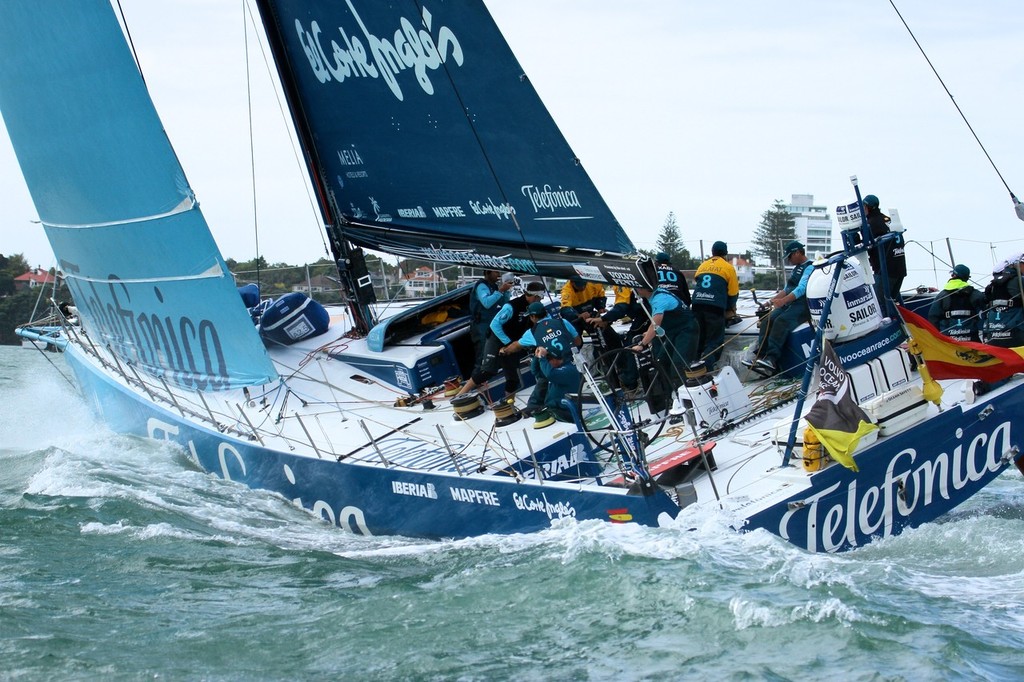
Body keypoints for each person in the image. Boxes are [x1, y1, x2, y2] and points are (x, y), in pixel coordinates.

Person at [457, 281, 546, 398]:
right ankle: (460, 395)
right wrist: (507, 343)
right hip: (497, 338)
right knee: (487, 371)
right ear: (535, 297)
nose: (540, 301)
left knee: (513, 378)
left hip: (513, 341)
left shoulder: (534, 308)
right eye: (540, 298)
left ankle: (510, 407)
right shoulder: (511, 306)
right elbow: (494, 325)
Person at [500, 301, 581, 419]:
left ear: (532, 317)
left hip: (554, 370)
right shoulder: (563, 322)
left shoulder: (532, 333)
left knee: (546, 388)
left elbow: (516, 346)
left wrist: (505, 350)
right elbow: (578, 341)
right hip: (574, 366)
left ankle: (535, 411)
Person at [747, 240, 814, 377]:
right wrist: (770, 302)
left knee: (781, 322)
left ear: (797, 252)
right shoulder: (796, 269)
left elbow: (801, 289)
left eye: (790, 256)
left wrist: (783, 301)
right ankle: (761, 357)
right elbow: (786, 289)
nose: (788, 260)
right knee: (767, 320)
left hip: (801, 306)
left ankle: (772, 359)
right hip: (789, 303)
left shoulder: (810, 267)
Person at [630, 279, 698, 388]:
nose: (635, 290)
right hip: (674, 330)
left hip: (686, 330)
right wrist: (648, 333)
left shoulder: (659, 299)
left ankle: (684, 392)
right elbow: (654, 321)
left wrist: (642, 345)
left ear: (645, 289)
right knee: (662, 360)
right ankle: (669, 392)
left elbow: (655, 325)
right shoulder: (654, 295)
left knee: (679, 364)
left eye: (637, 288)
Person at [691, 240, 739, 370]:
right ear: (726, 254)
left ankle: (692, 369)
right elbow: (733, 293)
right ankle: (706, 370)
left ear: (712, 253)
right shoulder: (728, 267)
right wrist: (730, 309)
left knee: (699, 340)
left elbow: (698, 281)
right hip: (714, 308)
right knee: (714, 342)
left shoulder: (703, 266)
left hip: (696, 306)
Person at [862, 194, 907, 304]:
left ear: (868, 207)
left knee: (880, 306)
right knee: (892, 303)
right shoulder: (888, 219)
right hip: (900, 270)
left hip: (886, 271)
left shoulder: (870, 224)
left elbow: (864, 246)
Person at [468, 270, 513, 376]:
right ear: (487, 273)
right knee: (483, 354)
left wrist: (506, 291)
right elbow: (487, 303)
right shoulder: (481, 286)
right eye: (496, 272)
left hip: (492, 325)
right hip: (481, 326)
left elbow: (504, 303)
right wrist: (501, 290)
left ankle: (493, 374)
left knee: (494, 351)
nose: (498, 275)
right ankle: (477, 379)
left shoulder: (495, 287)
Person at [927, 264, 986, 342]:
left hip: (949, 341)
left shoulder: (942, 295)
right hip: (971, 340)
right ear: (967, 278)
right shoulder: (975, 294)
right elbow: (984, 311)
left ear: (953, 275)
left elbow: (933, 316)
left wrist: (938, 338)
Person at [531, 346, 583, 425]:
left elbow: (550, 375)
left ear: (554, 359)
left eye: (547, 360)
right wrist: (536, 357)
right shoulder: (555, 368)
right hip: (554, 409)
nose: (546, 364)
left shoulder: (569, 369)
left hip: (566, 412)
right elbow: (536, 372)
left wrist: (542, 358)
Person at [982, 257, 1024, 347]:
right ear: (1019, 265)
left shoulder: (993, 284)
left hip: (993, 335)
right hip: (1016, 334)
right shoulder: (1020, 281)